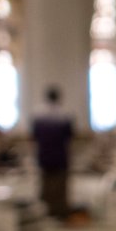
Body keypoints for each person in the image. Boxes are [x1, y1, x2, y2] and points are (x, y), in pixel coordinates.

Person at [30, 85, 75, 221]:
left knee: (46, 186)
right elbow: (70, 136)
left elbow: (35, 136)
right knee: (59, 187)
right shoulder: (65, 114)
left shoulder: (38, 114)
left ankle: (46, 212)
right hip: (60, 157)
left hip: (45, 157)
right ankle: (59, 213)